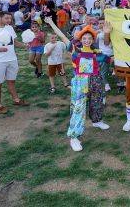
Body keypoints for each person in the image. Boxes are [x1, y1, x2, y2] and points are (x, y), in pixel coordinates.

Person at [46, 18, 109, 152]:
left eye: (89, 38)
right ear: (80, 39)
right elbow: (62, 36)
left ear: (93, 40)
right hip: (80, 82)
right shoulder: (75, 50)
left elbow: (112, 59)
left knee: (97, 102)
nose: (87, 40)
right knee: (78, 108)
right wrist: (51, 23)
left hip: (96, 80)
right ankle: (74, 137)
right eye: (84, 38)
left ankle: (97, 121)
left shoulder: (98, 53)